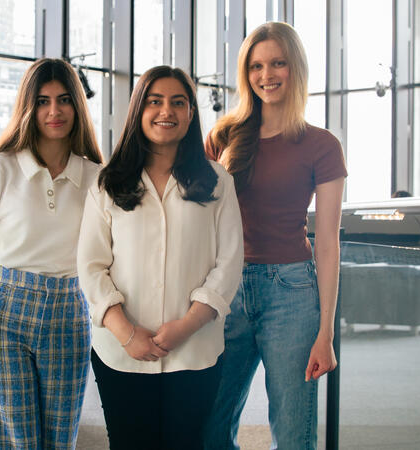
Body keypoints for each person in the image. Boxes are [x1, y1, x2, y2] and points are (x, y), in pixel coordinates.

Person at [77, 65, 244, 450]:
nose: (165, 111)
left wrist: (187, 325)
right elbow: (91, 265)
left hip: (196, 348)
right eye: (155, 101)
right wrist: (127, 332)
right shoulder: (107, 183)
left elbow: (229, 263)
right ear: (139, 110)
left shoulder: (218, 182)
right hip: (121, 351)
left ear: (190, 113)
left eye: (177, 102)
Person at [203, 22, 347, 450]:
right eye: (257, 66)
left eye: (278, 63)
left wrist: (326, 332)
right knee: (209, 423)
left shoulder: (321, 145)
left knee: (293, 430)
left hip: (292, 290)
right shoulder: (222, 136)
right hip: (225, 289)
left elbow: (326, 244)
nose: (267, 75)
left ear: (295, 68)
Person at [0, 58, 103, 449]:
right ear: (28, 106)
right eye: (42, 101)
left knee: (59, 439)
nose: (53, 111)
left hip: (69, 310)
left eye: (62, 100)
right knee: (11, 440)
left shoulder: (95, 177)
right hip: (1, 312)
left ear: (77, 105)